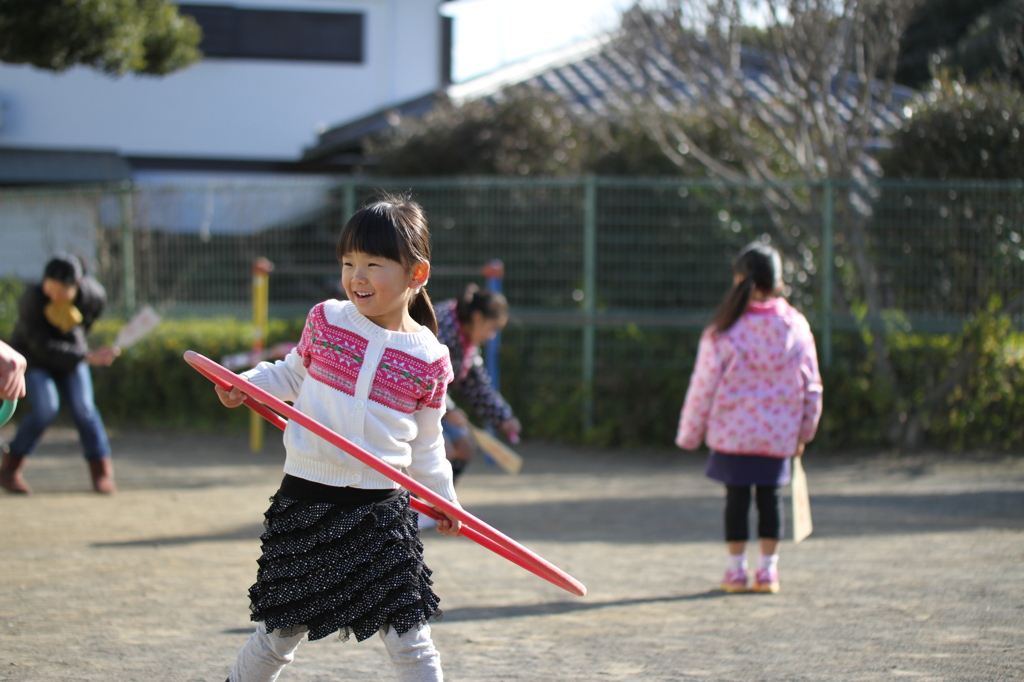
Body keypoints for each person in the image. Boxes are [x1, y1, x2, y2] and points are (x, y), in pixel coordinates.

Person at [215, 195, 462, 682]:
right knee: (279, 634)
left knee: (411, 638)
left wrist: (444, 502)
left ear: (417, 274)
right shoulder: (327, 320)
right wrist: (244, 386)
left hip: (380, 510)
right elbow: (290, 375)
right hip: (308, 499)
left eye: (373, 264)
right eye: (349, 263)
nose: (357, 277)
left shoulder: (431, 357)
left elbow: (428, 445)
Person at [675, 242, 823, 594]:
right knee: (770, 499)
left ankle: (735, 570)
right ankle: (768, 571)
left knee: (736, 500)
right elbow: (812, 385)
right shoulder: (796, 327)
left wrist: (689, 435)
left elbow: (702, 387)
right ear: (778, 281)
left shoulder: (723, 330)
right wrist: (805, 432)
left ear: (740, 279)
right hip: (777, 436)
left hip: (733, 435)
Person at [1, 255, 119, 495]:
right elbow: (40, 346)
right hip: (34, 359)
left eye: (61, 290)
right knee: (46, 407)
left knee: (84, 408)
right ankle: (10, 469)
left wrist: (81, 347)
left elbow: (86, 325)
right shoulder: (32, 299)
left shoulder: (93, 297)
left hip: (72, 359)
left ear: (77, 286)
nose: (53, 294)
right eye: (50, 288)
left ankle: (102, 472)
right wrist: (85, 356)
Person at [435, 283, 521, 485]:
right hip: (404, 399)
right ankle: (419, 513)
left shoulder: (465, 339)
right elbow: (426, 375)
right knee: (444, 451)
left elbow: (476, 383)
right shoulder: (442, 328)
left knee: (465, 447)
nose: (492, 336)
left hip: (434, 403)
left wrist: (503, 417)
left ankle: (441, 508)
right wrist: (449, 409)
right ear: (477, 318)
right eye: (492, 329)